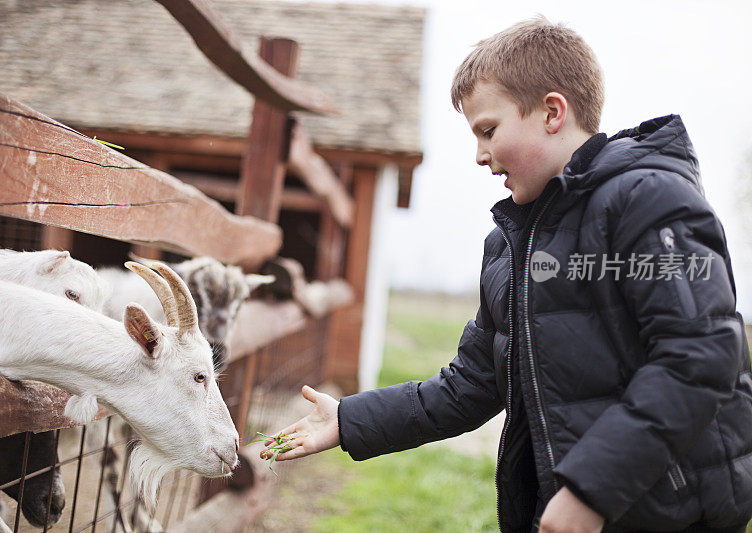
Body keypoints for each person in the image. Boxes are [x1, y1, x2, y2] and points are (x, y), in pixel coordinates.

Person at [262, 16, 752, 532]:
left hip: (664, 514)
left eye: (489, 131)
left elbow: (700, 357)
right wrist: (349, 420)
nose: (479, 155)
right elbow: (471, 384)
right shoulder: (508, 247)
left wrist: (591, 490)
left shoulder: (648, 200)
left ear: (552, 113)